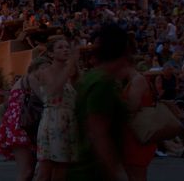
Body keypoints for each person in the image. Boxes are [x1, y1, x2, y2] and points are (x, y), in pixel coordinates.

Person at [70, 23, 132, 181]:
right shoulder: (103, 83)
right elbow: (98, 133)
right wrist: (115, 172)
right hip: (93, 171)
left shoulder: (90, 78)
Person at [36, 39, 79, 180]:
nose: (65, 50)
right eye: (60, 47)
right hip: (53, 120)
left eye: (67, 47)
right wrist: (71, 63)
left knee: (62, 169)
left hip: (68, 121)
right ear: (51, 53)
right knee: (45, 170)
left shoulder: (72, 73)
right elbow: (54, 89)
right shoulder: (45, 71)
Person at [0, 60, 43, 181]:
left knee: (29, 170)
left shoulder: (24, 80)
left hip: (18, 124)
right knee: (27, 171)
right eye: (43, 68)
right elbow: (45, 99)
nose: (46, 72)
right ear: (35, 69)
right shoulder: (31, 78)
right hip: (22, 126)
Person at [121, 67, 155, 181]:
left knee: (136, 174)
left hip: (138, 135)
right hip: (134, 134)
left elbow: (131, 107)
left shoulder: (137, 81)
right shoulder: (132, 81)